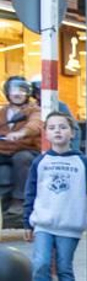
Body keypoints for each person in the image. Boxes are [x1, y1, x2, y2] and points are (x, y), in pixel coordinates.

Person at [22, 111, 87, 281]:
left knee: (64, 267)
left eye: (63, 127)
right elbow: (31, 192)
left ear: (72, 133)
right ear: (46, 133)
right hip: (43, 223)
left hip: (69, 225)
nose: (58, 131)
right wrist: (27, 221)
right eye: (52, 127)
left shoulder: (82, 162)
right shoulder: (40, 162)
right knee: (41, 264)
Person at [0, 74, 42, 218]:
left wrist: (22, 133)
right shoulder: (2, 112)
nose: (17, 94)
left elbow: (36, 124)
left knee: (22, 158)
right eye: (14, 90)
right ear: (7, 92)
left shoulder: (34, 110)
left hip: (27, 149)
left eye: (22, 90)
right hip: (5, 150)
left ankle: (19, 200)